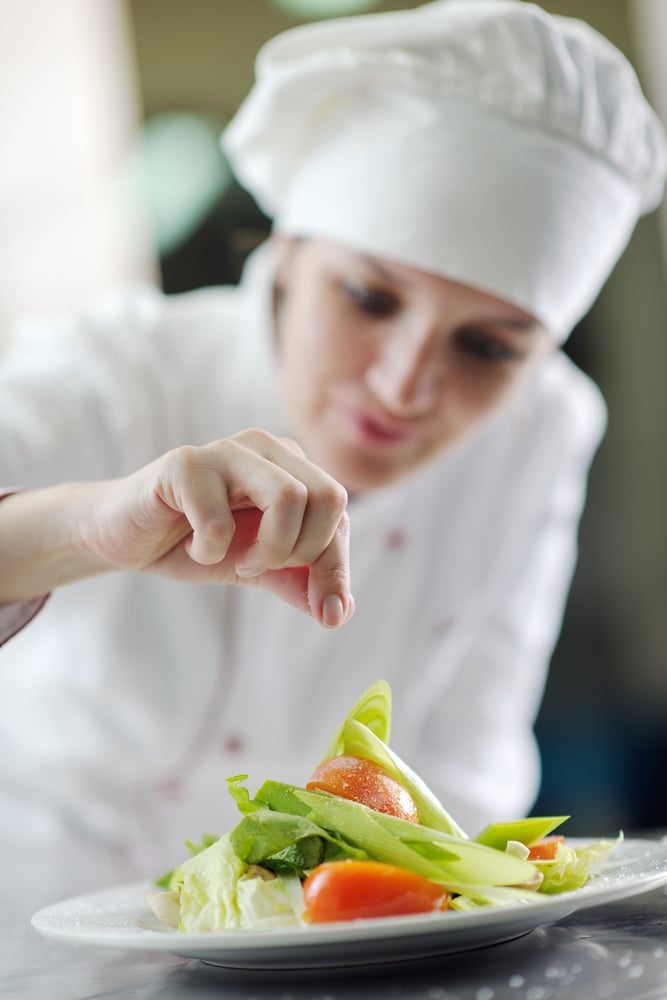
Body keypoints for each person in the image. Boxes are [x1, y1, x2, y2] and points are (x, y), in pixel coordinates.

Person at [1, 0, 665, 916]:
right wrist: (89, 528)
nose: (404, 384)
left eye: (487, 347)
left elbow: (466, 774)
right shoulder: (116, 373)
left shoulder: (541, 426)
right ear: (283, 252)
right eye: (367, 296)